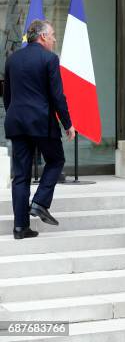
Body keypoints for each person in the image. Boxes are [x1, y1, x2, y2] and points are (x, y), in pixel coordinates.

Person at [3, 20, 75, 239]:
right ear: (42, 36)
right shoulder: (50, 59)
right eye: (52, 35)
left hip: (17, 122)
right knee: (56, 160)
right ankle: (40, 202)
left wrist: (15, 115)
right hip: (41, 122)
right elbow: (57, 96)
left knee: (21, 176)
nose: (54, 39)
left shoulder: (12, 58)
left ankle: (20, 227)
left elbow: (7, 95)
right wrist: (67, 123)